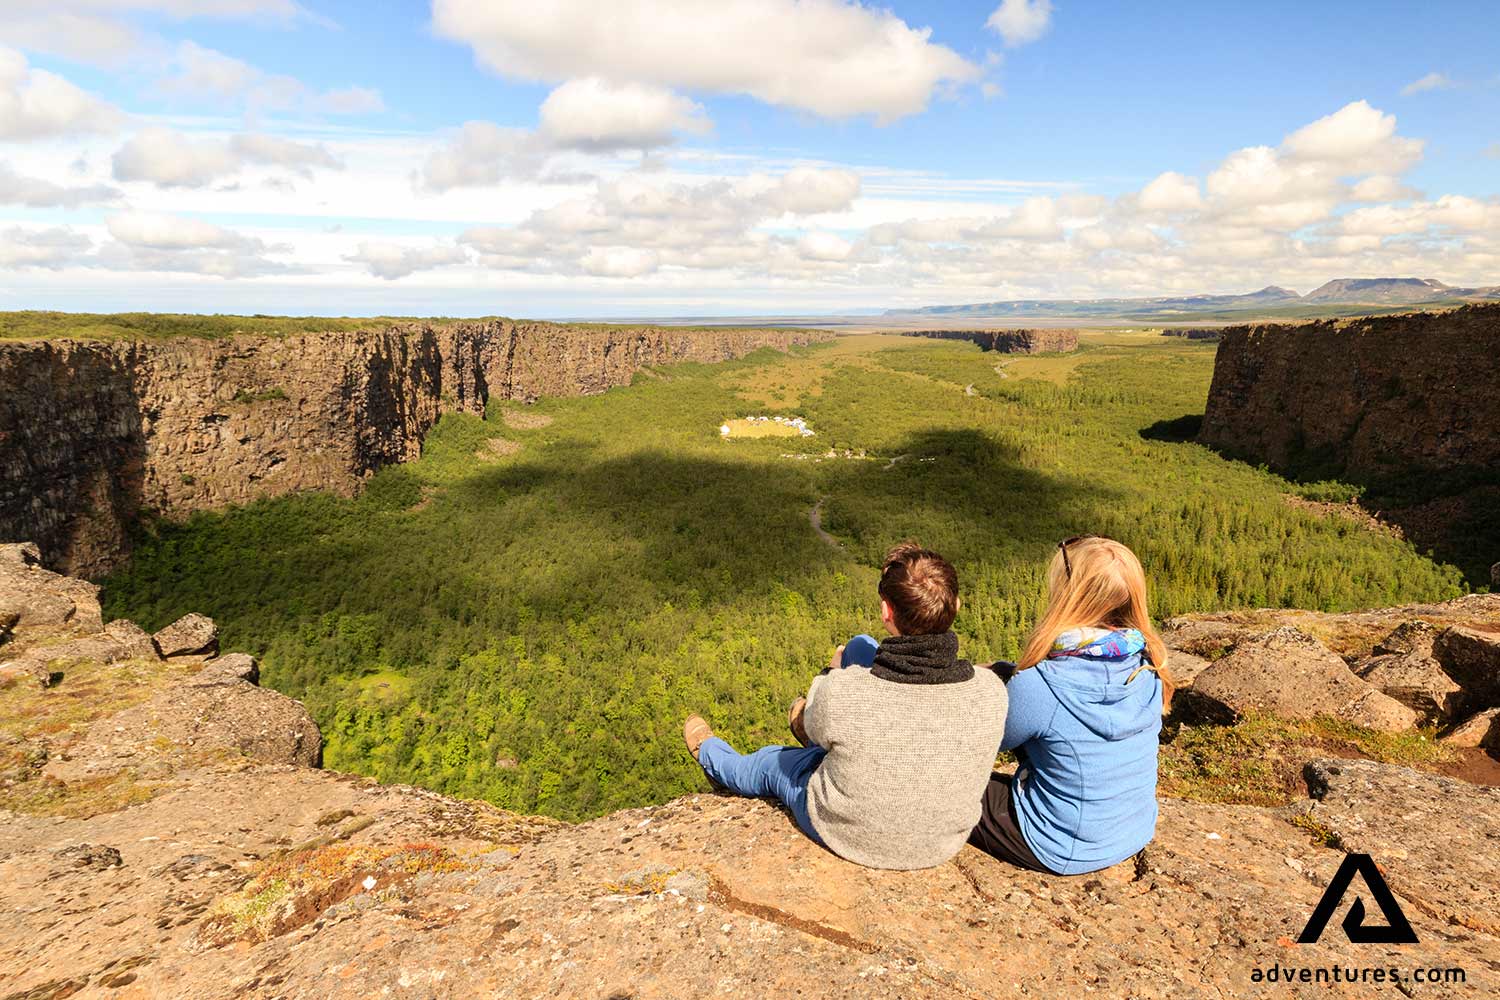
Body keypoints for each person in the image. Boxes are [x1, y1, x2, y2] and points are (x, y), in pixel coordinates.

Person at [683, 542, 1008, 870]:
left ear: (886, 612)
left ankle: (712, 756)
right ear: (956, 604)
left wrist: (832, 672)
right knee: (861, 646)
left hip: (850, 833)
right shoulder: (992, 692)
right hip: (942, 843)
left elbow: (827, 711)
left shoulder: (845, 692)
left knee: (771, 763)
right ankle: (829, 736)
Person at [969, 534, 1170, 875]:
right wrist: (1009, 673)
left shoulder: (1042, 684)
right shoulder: (1149, 664)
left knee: (943, 782)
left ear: (1068, 595)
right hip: (1132, 830)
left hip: (1058, 844)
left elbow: (987, 739)